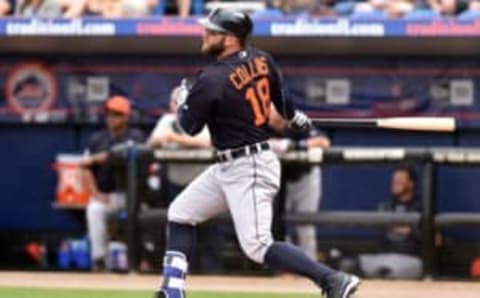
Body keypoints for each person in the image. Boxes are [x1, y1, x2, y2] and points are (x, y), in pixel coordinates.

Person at [154, 8, 359, 298]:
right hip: (232, 164)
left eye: (212, 32)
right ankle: (172, 290)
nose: (205, 35)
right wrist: (296, 117)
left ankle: (332, 280)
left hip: (247, 165)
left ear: (230, 39)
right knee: (181, 213)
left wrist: (183, 98)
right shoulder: (263, 59)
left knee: (258, 245)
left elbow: (189, 126)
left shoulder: (212, 78)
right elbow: (285, 107)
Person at [147, 85, 223, 274]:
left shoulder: (203, 119)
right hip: (176, 183)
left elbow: (206, 142)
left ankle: (214, 276)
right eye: (177, 102)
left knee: (208, 232)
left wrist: (174, 138)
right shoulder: (167, 120)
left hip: (204, 185)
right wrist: (164, 138)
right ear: (171, 104)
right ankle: (182, 273)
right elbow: (151, 142)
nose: (180, 105)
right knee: (179, 230)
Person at [82, 95, 145, 271]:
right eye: (109, 113)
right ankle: (99, 259)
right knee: (94, 210)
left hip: (130, 195)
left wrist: (103, 157)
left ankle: (140, 260)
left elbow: (141, 164)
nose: (112, 117)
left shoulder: (136, 137)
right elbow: (84, 167)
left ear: (126, 116)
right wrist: (95, 193)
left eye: (117, 114)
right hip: (105, 195)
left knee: (138, 216)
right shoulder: (97, 138)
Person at [268, 105, 331, 261]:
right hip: (277, 180)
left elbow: (324, 142)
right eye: (276, 117)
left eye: (283, 117)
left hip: (304, 177)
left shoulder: (296, 120)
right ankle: (286, 266)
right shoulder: (258, 123)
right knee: (277, 224)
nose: (281, 122)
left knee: (306, 226)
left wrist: (295, 146)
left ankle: (311, 265)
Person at [356, 165, 423, 279]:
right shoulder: (386, 206)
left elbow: (437, 240)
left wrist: (412, 230)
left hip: (409, 259)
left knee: (388, 272)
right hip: (384, 257)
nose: (395, 184)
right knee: (348, 265)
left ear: (411, 184)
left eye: (400, 181)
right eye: (394, 181)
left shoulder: (422, 206)